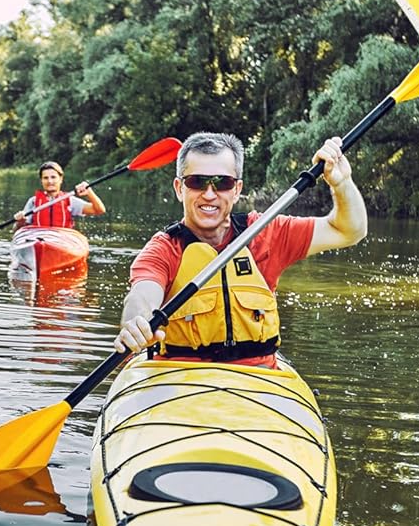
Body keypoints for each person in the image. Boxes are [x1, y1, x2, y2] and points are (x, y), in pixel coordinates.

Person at [113, 130, 366, 367]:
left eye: (222, 183)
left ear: (237, 190)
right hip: (180, 378)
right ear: (180, 189)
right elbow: (141, 296)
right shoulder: (164, 249)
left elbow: (349, 231)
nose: (209, 194)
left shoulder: (265, 231)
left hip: (258, 381)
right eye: (197, 182)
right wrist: (135, 323)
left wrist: (341, 183)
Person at [14, 160, 106, 230]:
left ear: (60, 179)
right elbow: (16, 229)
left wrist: (89, 193)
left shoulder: (70, 201)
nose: (50, 181)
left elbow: (99, 210)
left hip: (61, 240)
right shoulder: (33, 202)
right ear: (41, 181)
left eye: (53, 177)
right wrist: (20, 222)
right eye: (45, 178)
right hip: (38, 239)